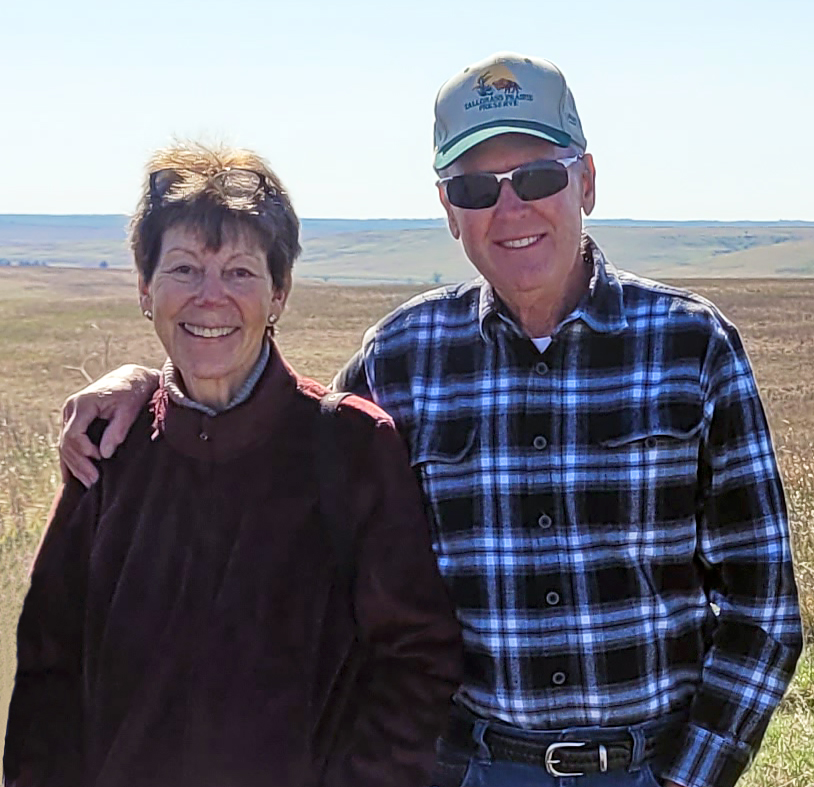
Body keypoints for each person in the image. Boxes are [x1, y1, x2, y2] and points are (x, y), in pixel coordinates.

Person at [56, 55, 802, 787]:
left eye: (537, 176)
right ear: (449, 210)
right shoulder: (404, 355)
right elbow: (273, 428)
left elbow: (762, 610)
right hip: (465, 766)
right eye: (476, 188)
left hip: (645, 766)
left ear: (588, 182)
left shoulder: (692, 345)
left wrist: (689, 777)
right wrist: (150, 384)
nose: (509, 211)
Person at [3, 144, 462, 787]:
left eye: (241, 273)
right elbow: (48, 672)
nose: (210, 298)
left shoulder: (350, 446)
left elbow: (415, 660)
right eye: (184, 268)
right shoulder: (110, 448)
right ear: (145, 288)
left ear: (279, 292)